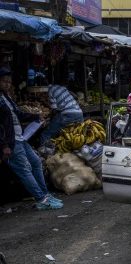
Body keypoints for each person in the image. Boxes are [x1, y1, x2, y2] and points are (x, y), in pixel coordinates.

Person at [0, 67, 63, 210]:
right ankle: (41, 199)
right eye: (4, 81)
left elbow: (19, 115)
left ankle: (45, 194)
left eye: (9, 82)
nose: (7, 84)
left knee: (35, 162)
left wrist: (35, 117)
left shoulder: (7, 98)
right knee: (24, 169)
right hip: (10, 141)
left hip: (20, 138)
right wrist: (4, 145)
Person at [40, 82, 83, 146]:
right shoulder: (62, 87)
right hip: (79, 113)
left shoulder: (50, 91)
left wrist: (49, 119)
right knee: (75, 135)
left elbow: (55, 110)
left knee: (46, 134)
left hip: (68, 115)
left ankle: (45, 151)